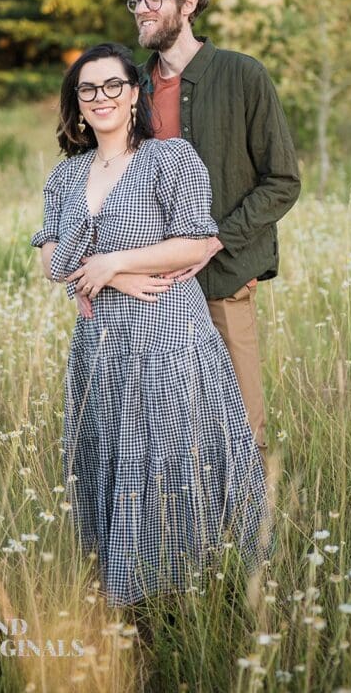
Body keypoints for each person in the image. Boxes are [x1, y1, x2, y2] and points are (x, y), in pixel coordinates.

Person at [31, 42, 272, 608]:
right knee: (113, 458)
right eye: (87, 90)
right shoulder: (65, 177)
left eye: (113, 85)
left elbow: (197, 242)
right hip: (101, 345)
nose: (100, 98)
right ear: (77, 104)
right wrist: (104, 275)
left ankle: (195, 588)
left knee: (172, 455)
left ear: (135, 92)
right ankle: (126, 591)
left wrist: (117, 261)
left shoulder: (170, 159)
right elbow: (49, 262)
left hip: (168, 334)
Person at [115, 0, 301, 472]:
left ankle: (252, 549)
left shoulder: (243, 76)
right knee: (161, 435)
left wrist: (214, 239)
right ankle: (180, 543)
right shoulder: (131, 89)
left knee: (241, 429)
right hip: (149, 289)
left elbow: (283, 181)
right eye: (136, 0)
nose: (142, 9)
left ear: (190, 3)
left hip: (222, 280)